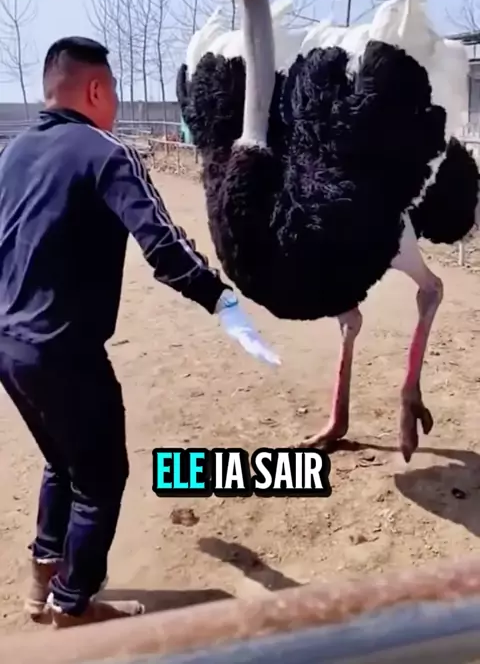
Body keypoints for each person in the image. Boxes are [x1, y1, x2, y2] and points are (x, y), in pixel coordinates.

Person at [0, 36, 280, 629]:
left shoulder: (14, 152)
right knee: (102, 479)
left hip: (7, 344)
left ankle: (42, 577)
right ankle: (72, 603)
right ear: (95, 89)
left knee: (62, 460)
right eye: (114, 89)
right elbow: (162, 242)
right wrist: (220, 299)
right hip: (63, 350)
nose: (116, 100)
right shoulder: (108, 153)